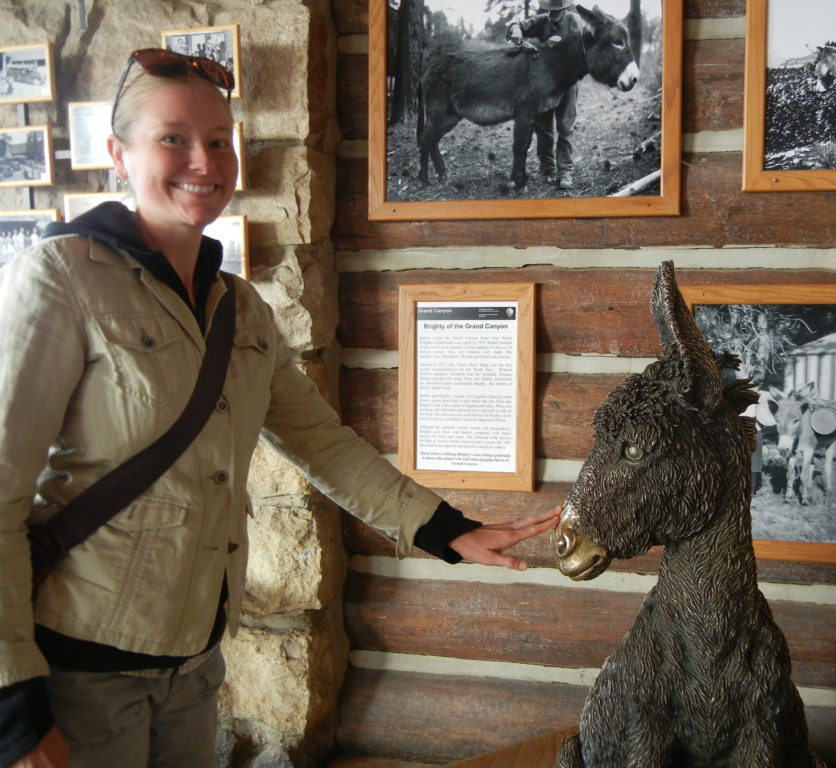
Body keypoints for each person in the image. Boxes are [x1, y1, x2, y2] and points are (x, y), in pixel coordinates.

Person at [0, 49, 560, 768]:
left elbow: (322, 444)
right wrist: (14, 712)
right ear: (118, 154)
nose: (203, 160)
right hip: (77, 670)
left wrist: (448, 531)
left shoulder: (241, 308)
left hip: (195, 665)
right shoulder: (59, 278)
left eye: (218, 140)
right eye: (172, 138)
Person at [506, 0, 583, 190]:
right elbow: (518, 24)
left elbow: (584, 44)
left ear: (564, 9)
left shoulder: (575, 20)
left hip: (568, 83)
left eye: (555, 12)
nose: (551, 15)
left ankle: (565, 171)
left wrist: (563, 40)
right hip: (546, 85)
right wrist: (515, 30)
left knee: (565, 127)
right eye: (548, 11)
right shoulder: (543, 21)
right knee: (544, 127)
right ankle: (547, 168)